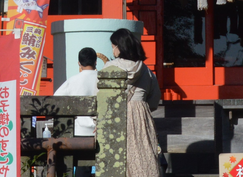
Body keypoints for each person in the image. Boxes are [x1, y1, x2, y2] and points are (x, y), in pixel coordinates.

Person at [108, 28, 162, 177]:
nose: (112, 50)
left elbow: (101, 96)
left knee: (119, 156)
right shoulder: (147, 70)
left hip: (117, 115)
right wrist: (142, 106)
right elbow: (154, 99)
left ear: (119, 46)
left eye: (113, 46)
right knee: (144, 153)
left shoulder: (110, 67)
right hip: (141, 114)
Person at [53, 47, 99, 137]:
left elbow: (56, 98)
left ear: (79, 63)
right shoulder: (103, 79)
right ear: (95, 61)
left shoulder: (73, 80)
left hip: (80, 130)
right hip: (101, 128)